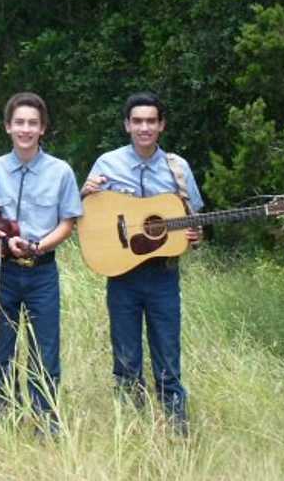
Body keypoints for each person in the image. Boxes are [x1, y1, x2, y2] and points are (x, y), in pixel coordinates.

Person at [82, 91, 203, 435]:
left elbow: (195, 221)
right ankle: (131, 430)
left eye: (151, 121)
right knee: (126, 359)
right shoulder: (107, 164)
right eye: (137, 121)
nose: (144, 128)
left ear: (161, 125)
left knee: (168, 356)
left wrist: (196, 236)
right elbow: (85, 214)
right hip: (122, 275)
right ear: (127, 125)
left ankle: (177, 430)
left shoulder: (178, 169)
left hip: (163, 275)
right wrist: (84, 193)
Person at [0, 92, 81, 433]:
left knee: (45, 351)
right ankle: (4, 420)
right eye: (19, 123)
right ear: (8, 127)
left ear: (42, 128)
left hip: (42, 272)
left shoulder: (60, 172)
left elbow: (68, 223)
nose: (25, 129)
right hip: (3, 272)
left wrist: (38, 246)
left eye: (32, 123)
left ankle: (47, 424)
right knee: (0, 349)